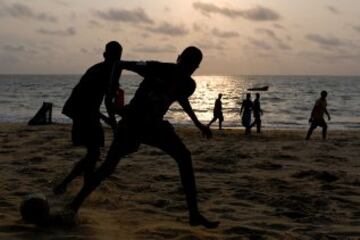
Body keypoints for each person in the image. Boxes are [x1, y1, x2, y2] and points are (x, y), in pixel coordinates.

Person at [67, 46, 220, 229]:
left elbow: (181, 98)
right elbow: (120, 64)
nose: (187, 69)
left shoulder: (188, 84)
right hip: (132, 123)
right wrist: (110, 91)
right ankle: (74, 205)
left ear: (195, 68)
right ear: (178, 58)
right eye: (186, 63)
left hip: (155, 126)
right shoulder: (156, 67)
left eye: (192, 67)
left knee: (184, 157)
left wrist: (197, 123)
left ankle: (194, 214)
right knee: (107, 168)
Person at [53, 41, 122, 195]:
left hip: (87, 111)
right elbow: (85, 100)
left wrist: (111, 120)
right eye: (113, 56)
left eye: (118, 57)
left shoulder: (112, 70)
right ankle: (68, 184)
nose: (115, 60)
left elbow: (107, 100)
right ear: (105, 55)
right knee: (94, 152)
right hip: (80, 110)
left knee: (93, 152)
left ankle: (81, 184)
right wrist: (108, 120)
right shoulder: (97, 71)